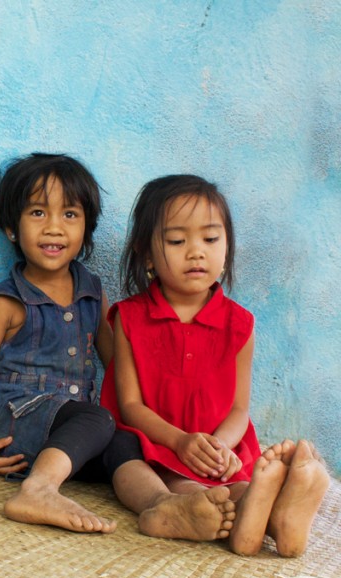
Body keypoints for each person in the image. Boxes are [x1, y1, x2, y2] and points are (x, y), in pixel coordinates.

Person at [0, 154, 238, 537]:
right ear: (11, 227)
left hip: (66, 436)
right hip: (16, 421)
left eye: (70, 215)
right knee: (99, 418)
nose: (55, 228)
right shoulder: (7, 302)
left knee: (124, 440)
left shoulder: (91, 291)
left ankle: (162, 506)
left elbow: (116, 359)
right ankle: (37, 490)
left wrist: (158, 417)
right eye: (38, 213)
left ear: (87, 228)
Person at [100, 174, 330, 556]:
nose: (196, 252)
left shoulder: (239, 324)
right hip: (155, 442)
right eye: (177, 241)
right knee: (146, 471)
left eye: (210, 239)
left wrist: (221, 447)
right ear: (147, 255)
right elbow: (130, 406)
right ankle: (180, 511)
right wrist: (178, 440)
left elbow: (240, 408)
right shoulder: (130, 317)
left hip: (218, 447)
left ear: (227, 248)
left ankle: (280, 518)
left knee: (232, 485)